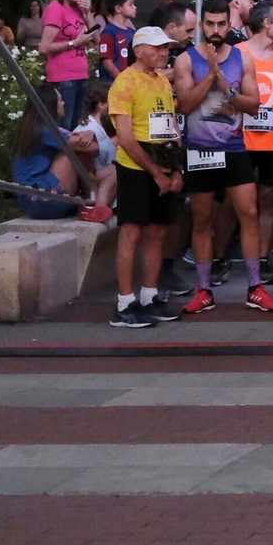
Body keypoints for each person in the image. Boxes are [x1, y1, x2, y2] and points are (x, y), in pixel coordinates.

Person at [173, 0, 273, 314]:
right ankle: (204, 290)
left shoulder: (242, 59)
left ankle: (254, 287)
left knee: (249, 213)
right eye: (210, 24)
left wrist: (226, 89)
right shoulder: (186, 61)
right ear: (201, 25)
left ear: (229, 25)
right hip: (199, 149)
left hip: (233, 148)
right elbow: (185, 106)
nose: (216, 31)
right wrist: (209, 77)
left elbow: (254, 105)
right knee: (203, 219)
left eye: (221, 24)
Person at [107, 26, 185, 328]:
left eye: (166, 47)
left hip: (163, 168)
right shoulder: (124, 83)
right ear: (138, 50)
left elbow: (171, 127)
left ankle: (149, 296)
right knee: (131, 233)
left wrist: (176, 170)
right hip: (135, 169)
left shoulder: (163, 83)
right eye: (156, 47)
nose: (163, 52)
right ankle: (124, 303)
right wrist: (156, 173)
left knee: (157, 233)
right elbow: (125, 138)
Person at [239, 2, 273, 286]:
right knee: (239, 202)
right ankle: (224, 257)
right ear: (266, 24)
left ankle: (262, 257)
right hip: (242, 139)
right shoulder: (239, 53)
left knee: (269, 199)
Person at [10, 82, 102, 219]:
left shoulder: (36, 128)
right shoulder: (46, 130)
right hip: (41, 200)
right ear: (51, 105)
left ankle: (92, 199)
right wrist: (89, 134)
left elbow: (93, 150)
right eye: (60, 100)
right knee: (70, 153)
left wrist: (90, 133)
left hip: (32, 202)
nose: (64, 103)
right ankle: (91, 202)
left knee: (109, 170)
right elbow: (93, 149)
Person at [39, 0, 97, 127]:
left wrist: (88, 13)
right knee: (65, 126)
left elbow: (98, 38)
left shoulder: (79, 9)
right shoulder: (56, 9)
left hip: (81, 75)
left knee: (76, 125)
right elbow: (43, 47)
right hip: (63, 77)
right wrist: (74, 43)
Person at [97, 0, 137, 85]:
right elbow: (107, 64)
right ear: (118, 8)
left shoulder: (132, 32)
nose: (135, 7)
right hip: (112, 85)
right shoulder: (108, 32)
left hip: (131, 83)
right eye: (131, 4)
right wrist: (122, 82)